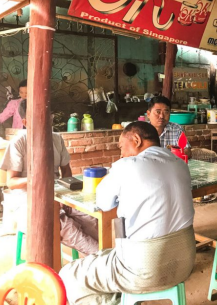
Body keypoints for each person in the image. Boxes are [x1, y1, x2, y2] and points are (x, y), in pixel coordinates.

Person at [60, 122, 196, 305]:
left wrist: (114, 173)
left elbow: (103, 203)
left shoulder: (127, 165)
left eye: (122, 147)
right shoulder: (180, 164)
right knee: (106, 256)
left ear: (136, 140)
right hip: (184, 263)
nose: (121, 153)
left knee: (69, 274)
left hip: (144, 270)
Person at [0, 99, 98, 254]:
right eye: (39, 118)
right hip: (26, 200)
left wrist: (66, 197)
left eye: (48, 117)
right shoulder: (18, 143)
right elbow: (11, 182)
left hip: (57, 194)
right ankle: (99, 256)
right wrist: (37, 180)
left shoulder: (57, 139)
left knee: (90, 217)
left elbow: (66, 171)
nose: (46, 122)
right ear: (25, 121)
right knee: (65, 225)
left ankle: (103, 257)